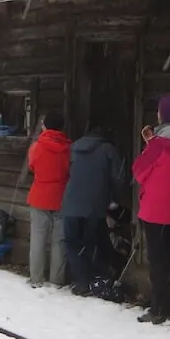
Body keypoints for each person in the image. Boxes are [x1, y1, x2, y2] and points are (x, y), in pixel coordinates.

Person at [133, 94, 170, 324]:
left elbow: (139, 171)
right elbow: (169, 162)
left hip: (155, 210)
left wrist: (150, 144)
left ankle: (159, 309)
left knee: (157, 260)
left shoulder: (157, 144)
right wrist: (152, 142)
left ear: (163, 114)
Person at [61, 122, 127, 296]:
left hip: (70, 204)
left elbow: (69, 172)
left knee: (72, 244)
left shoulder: (74, 147)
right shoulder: (108, 150)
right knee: (91, 242)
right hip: (94, 206)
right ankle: (96, 279)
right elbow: (119, 178)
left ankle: (82, 281)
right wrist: (117, 199)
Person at [27, 111, 72, 287]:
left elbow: (32, 166)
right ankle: (57, 280)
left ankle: (36, 279)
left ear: (45, 126)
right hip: (61, 196)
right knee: (59, 240)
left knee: (38, 239)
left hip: (40, 196)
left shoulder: (37, 147)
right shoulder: (69, 148)